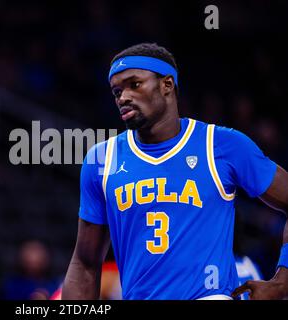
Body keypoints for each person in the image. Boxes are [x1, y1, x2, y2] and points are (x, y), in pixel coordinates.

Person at [62, 43, 288, 300]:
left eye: (134, 84)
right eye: (116, 91)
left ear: (167, 85)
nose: (123, 97)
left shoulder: (221, 144)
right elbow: (85, 264)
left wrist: (282, 282)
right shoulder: (101, 159)